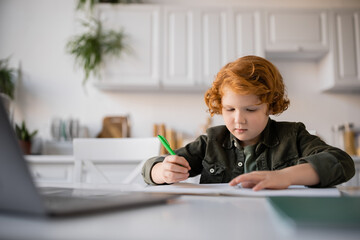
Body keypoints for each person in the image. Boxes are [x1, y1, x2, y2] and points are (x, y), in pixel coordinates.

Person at [142, 55, 355, 190]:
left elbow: (341, 162)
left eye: (250, 109)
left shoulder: (293, 135)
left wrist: (285, 177)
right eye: (229, 109)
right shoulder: (211, 141)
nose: (238, 119)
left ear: (270, 106)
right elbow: (150, 167)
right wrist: (161, 171)